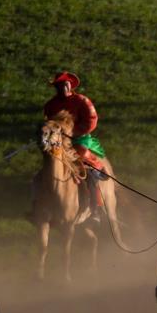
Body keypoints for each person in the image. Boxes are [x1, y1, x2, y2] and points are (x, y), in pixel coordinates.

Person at [42, 71, 107, 221]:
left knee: (83, 162)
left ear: (70, 85)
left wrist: (73, 132)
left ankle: (96, 205)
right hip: (58, 141)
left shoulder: (81, 101)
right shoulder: (50, 105)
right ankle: (40, 205)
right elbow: (48, 123)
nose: (62, 88)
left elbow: (92, 120)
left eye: (65, 85)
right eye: (59, 86)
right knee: (48, 165)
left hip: (80, 139)